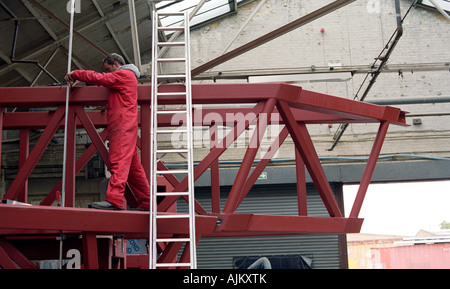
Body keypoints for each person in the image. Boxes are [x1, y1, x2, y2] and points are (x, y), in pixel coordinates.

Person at [65, 53, 150, 210]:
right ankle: (146, 202)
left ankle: (114, 199)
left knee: (118, 161)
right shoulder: (127, 76)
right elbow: (104, 82)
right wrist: (84, 80)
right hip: (126, 124)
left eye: (108, 69)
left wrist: (76, 73)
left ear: (116, 64)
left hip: (121, 125)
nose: (108, 72)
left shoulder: (123, 74)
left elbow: (101, 79)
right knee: (133, 168)